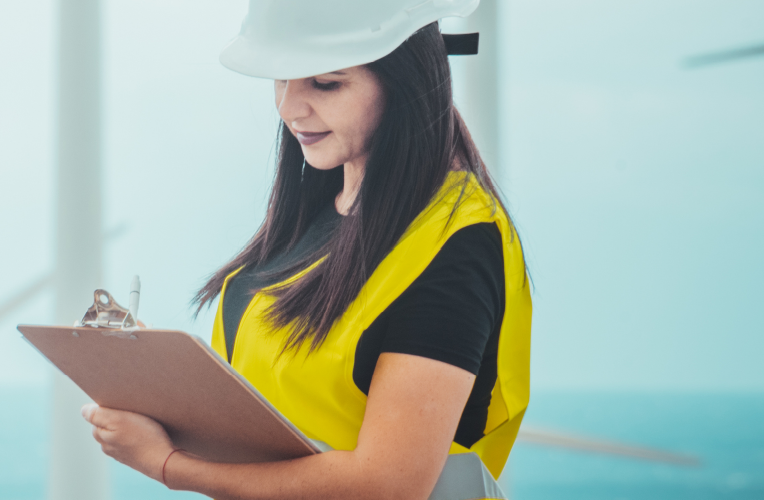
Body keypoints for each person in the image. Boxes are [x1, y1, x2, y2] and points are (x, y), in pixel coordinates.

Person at [79, 1, 531, 499]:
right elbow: (268, 412)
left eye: (326, 83)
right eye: (281, 79)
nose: (290, 108)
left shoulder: (456, 243)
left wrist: (168, 465)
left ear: (406, 80)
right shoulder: (314, 213)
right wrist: (160, 387)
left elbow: (388, 486)